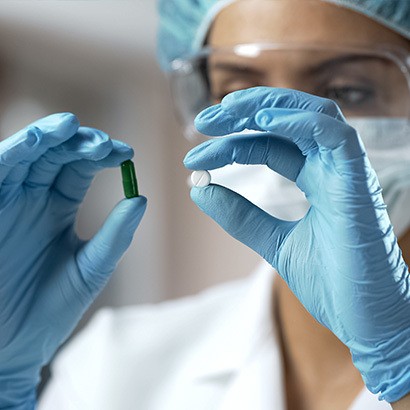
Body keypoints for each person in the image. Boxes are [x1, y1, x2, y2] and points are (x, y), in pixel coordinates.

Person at [0, 0, 409, 409]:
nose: (285, 127)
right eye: (239, 91)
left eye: (345, 92)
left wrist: (400, 363)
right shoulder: (113, 367)